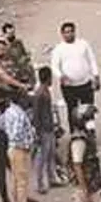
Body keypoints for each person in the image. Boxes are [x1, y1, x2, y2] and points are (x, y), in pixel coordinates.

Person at [50, 22, 101, 129]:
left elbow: (91, 60)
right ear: (62, 34)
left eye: (71, 32)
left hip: (85, 83)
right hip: (69, 87)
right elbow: (54, 66)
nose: (69, 34)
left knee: (88, 109)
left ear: (74, 32)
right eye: (66, 32)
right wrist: (61, 76)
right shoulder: (59, 49)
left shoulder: (83, 44)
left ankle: (90, 132)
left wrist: (96, 76)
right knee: (72, 110)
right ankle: (75, 132)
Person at [0, 88, 38, 202]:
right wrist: (25, 143)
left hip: (12, 148)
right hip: (20, 149)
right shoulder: (19, 114)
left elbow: (0, 124)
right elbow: (17, 133)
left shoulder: (9, 111)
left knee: (16, 179)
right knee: (22, 181)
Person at [29, 66, 60, 194]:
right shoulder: (40, 94)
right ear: (48, 78)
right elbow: (36, 115)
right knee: (42, 156)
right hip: (44, 129)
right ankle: (40, 183)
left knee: (50, 154)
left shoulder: (44, 91)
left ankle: (52, 178)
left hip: (49, 127)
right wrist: (37, 132)